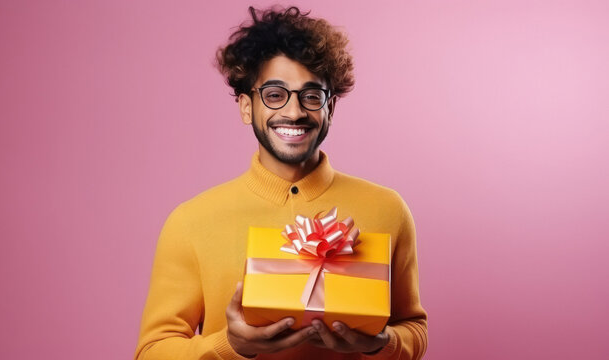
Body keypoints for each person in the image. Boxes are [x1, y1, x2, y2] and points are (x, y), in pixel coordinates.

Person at [134, 5, 427, 360]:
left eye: (311, 95)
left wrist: (382, 344)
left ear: (330, 108)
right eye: (275, 94)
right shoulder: (190, 222)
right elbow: (151, 352)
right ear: (246, 106)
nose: (294, 112)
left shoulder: (388, 209)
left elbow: (413, 329)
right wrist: (230, 346)